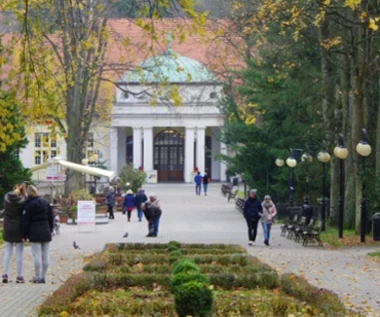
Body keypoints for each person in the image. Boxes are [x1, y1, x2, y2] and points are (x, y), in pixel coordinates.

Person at [22, 185, 54, 284]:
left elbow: (25, 221)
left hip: (34, 230)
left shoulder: (28, 205)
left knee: (37, 256)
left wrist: (24, 234)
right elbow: (51, 217)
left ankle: (37, 276)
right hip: (45, 230)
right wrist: (50, 229)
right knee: (46, 255)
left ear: (28, 193)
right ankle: (43, 276)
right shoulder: (45, 203)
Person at [2, 183, 27, 284]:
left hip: (8, 227)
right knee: (19, 254)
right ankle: (19, 276)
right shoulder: (23, 200)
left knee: (7, 252)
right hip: (18, 228)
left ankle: (5, 274)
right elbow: (27, 200)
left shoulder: (6, 198)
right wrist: (24, 192)